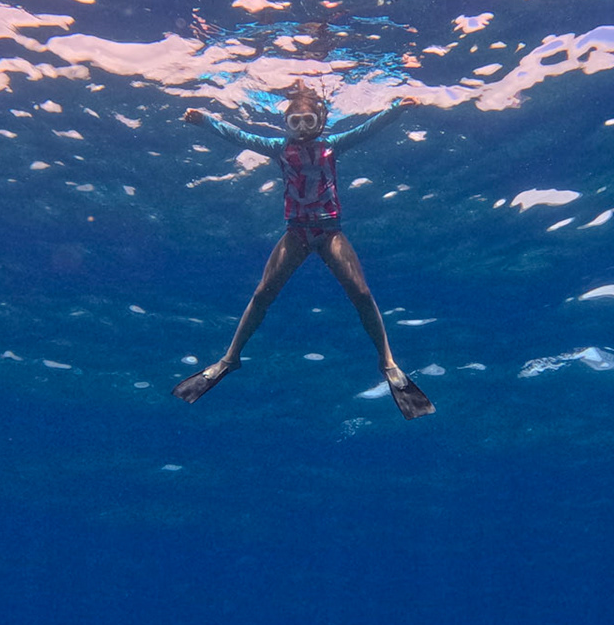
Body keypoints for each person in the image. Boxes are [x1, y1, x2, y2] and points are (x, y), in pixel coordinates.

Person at [175, 86, 434, 419]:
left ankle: (388, 362)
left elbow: (367, 129)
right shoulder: (277, 148)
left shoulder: (331, 145)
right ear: (286, 124)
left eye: (308, 121)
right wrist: (205, 122)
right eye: (294, 122)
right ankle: (229, 359)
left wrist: (396, 110)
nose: (301, 129)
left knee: (361, 292)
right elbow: (238, 135)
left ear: (321, 120)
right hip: (296, 232)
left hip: (329, 232)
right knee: (263, 293)